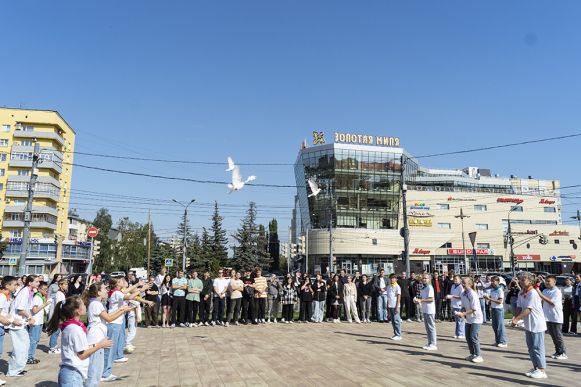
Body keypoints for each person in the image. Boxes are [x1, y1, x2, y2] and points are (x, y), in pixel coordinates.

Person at [46, 295, 113, 387]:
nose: (85, 305)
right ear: (78, 310)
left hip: (72, 373)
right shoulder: (75, 329)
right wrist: (99, 345)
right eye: (83, 304)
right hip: (72, 374)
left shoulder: (70, 326)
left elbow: (79, 349)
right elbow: (82, 355)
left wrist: (96, 344)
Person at [84, 282, 132, 385]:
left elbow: (107, 316)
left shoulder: (97, 303)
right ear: (98, 292)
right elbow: (109, 319)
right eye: (104, 289)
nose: (107, 291)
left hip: (98, 337)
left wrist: (121, 309)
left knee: (98, 366)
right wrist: (122, 311)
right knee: (95, 368)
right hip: (95, 338)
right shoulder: (96, 304)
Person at [101, 278, 140, 382]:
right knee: (109, 350)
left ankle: (107, 372)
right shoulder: (116, 293)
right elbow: (129, 296)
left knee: (112, 350)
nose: (123, 281)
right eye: (120, 281)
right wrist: (141, 289)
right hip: (113, 322)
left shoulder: (117, 292)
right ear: (117, 284)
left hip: (116, 321)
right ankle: (104, 373)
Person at [511, 272, 548, 379]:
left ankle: (542, 370)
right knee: (531, 348)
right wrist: (515, 317)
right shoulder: (521, 292)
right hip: (528, 324)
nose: (521, 281)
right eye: (520, 279)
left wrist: (517, 319)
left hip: (537, 323)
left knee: (537, 347)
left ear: (530, 281)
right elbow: (519, 307)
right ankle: (536, 367)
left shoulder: (533, 293)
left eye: (523, 279)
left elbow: (528, 309)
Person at [7, 275, 39, 377]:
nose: (38, 283)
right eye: (37, 281)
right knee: (20, 348)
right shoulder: (25, 292)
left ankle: (17, 369)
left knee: (23, 347)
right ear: (30, 283)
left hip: (21, 323)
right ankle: (13, 371)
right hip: (16, 324)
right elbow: (20, 309)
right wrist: (30, 317)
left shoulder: (29, 292)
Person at [0, 276, 23, 385]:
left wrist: (13, 319)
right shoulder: (2, 296)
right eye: (14, 284)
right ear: (7, 286)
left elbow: (4, 313)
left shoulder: (6, 296)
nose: (16, 286)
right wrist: (10, 321)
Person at [537, 275, 567, 360]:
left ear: (554, 282)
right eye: (546, 281)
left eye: (548, 281)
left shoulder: (557, 291)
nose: (546, 283)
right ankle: (558, 351)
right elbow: (541, 301)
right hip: (547, 316)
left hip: (556, 317)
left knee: (558, 335)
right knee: (553, 335)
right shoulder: (545, 290)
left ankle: (563, 352)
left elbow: (552, 302)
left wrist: (540, 294)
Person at [455, 277, 484, 363]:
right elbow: (463, 306)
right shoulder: (463, 294)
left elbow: (474, 309)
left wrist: (463, 314)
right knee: (468, 336)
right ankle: (473, 354)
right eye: (462, 283)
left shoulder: (473, 294)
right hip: (469, 318)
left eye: (465, 283)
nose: (463, 285)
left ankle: (479, 355)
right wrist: (460, 312)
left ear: (470, 284)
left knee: (473, 336)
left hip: (476, 318)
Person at [27, 281, 51, 364]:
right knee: (33, 340)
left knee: (36, 340)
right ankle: (29, 357)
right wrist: (45, 304)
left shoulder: (41, 297)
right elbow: (34, 310)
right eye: (44, 289)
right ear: (39, 289)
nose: (46, 291)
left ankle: (31, 356)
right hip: (35, 321)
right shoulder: (37, 297)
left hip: (40, 321)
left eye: (46, 289)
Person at [414, 273, 437, 350]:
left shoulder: (430, 287)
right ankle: (430, 342)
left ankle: (433, 344)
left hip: (430, 310)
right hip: (425, 309)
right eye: (423, 278)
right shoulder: (423, 288)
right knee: (427, 328)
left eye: (426, 278)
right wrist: (418, 300)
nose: (424, 279)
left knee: (431, 327)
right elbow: (423, 299)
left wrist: (421, 300)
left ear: (429, 279)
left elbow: (431, 299)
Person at [484, 276, 507, 348]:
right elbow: (492, 298)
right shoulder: (493, 290)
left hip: (498, 309)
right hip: (493, 308)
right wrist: (488, 299)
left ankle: (503, 341)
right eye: (491, 281)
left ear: (497, 282)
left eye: (493, 281)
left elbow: (500, 301)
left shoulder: (500, 290)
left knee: (500, 325)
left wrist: (490, 299)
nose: (492, 282)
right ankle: (498, 341)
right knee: (495, 326)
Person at [49, 278, 69, 354]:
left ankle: (54, 346)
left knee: (57, 332)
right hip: (58, 315)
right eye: (65, 284)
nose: (67, 286)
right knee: (55, 331)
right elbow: (59, 305)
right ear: (61, 285)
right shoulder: (59, 294)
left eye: (67, 284)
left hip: (60, 314)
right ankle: (52, 348)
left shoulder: (62, 293)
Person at [447, 275, 465, 339]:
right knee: (457, 320)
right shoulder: (453, 286)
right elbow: (452, 294)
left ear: (460, 279)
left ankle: (462, 333)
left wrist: (452, 296)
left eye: (456, 279)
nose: (455, 280)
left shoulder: (461, 287)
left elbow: (461, 297)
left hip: (459, 305)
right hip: (454, 304)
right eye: (454, 279)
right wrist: (450, 297)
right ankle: (457, 333)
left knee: (461, 320)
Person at [387, 274, 401, 339]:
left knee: (397, 321)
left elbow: (398, 297)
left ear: (396, 279)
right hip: (390, 305)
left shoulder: (397, 287)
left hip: (395, 306)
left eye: (393, 278)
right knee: (392, 321)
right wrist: (387, 306)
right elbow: (388, 297)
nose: (392, 279)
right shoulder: (388, 286)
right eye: (391, 278)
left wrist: (397, 307)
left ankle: (398, 335)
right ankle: (395, 334)